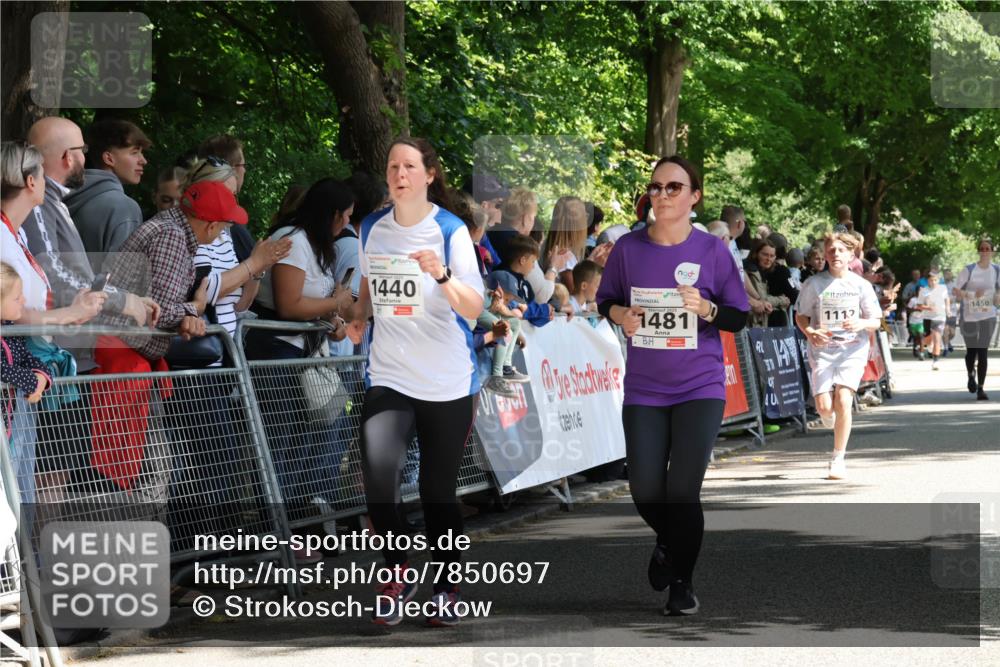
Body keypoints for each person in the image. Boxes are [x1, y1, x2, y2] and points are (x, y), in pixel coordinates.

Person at [596, 156, 750, 616]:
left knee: (682, 491)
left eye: (674, 187)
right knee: (645, 489)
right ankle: (669, 540)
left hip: (699, 385)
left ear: (694, 197)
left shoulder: (713, 252)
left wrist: (706, 310)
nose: (662, 194)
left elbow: (738, 316)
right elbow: (607, 300)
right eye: (657, 187)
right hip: (644, 387)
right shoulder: (628, 248)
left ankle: (682, 582)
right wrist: (620, 315)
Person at [347, 137, 485, 627]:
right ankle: (398, 569)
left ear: (429, 174)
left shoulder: (450, 230)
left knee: (437, 491)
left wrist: (443, 275)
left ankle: (447, 584)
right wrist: (357, 318)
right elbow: (368, 292)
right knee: (379, 483)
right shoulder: (370, 228)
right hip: (390, 374)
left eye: (409, 166)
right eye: (392, 166)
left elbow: (474, 306)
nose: (399, 173)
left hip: (446, 381)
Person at [794, 232, 882, 479]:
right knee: (824, 408)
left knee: (843, 400)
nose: (835, 255)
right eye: (831, 250)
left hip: (852, 350)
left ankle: (838, 457)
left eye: (841, 251)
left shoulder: (861, 285)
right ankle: (828, 417)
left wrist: (861, 323)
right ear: (825, 254)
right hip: (822, 350)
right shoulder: (814, 284)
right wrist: (810, 331)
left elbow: (876, 320)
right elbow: (800, 316)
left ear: (850, 255)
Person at [64, 118, 150, 271]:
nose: (143, 160)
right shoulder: (124, 207)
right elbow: (120, 279)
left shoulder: (60, 196)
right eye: (134, 152)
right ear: (109, 158)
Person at [0, 262, 52, 504]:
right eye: (17, 297)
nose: (23, 301)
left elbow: (28, 359)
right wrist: (31, 380)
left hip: (10, 427)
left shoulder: (11, 332)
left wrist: (41, 378)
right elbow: (3, 369)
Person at [954, 238, 1000, 400]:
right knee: (971, 351)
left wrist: (997, 298)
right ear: (978, 251)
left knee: (983, 351)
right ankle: (970, 374)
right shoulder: (969, 269)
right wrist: (971, 295)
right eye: (982, 248)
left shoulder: (997, 270)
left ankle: (981, 388)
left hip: (988, 315)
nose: (985, 251)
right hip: (969, 316)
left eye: (988, 249)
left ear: (992, 251)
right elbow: (956, 290)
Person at [915, 271, 950, 370]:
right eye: (931, 280)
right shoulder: (923, 290)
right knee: (929, 339)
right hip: (928, 317)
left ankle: (935, 361)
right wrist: (928, 308)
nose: (933, 282)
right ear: (927, 281)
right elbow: (919, 305)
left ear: (938, 280)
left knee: (937, 338)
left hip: (940, 316)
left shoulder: (943, 288)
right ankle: (926, 344)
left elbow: (947, 299)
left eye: (935, 280)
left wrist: (947, 309)